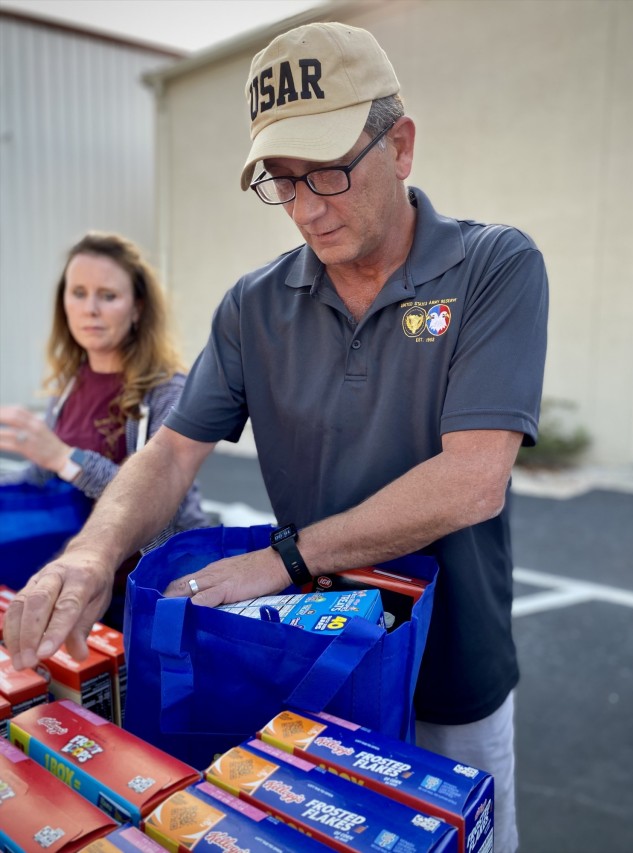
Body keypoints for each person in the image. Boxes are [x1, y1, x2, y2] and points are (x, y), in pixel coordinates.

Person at [4, 24, 548, 853]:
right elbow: (172, 451)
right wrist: (90, 553)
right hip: (314, 666)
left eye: (329, 169)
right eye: (282, 181)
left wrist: (284, 558)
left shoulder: (493, 266)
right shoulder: (254, 305)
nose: (307, 207)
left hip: (452, 672)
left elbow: (473, 477)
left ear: (400, 145)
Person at [0, 231, 207, 628]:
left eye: (107, 296)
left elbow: (160, 519)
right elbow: (46, 477)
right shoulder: (68, 386)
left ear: (137, 308)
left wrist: (64, 456)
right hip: (82, 585)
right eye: (78, 292)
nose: (90, 309)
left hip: (151, 593)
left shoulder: (167, 392)